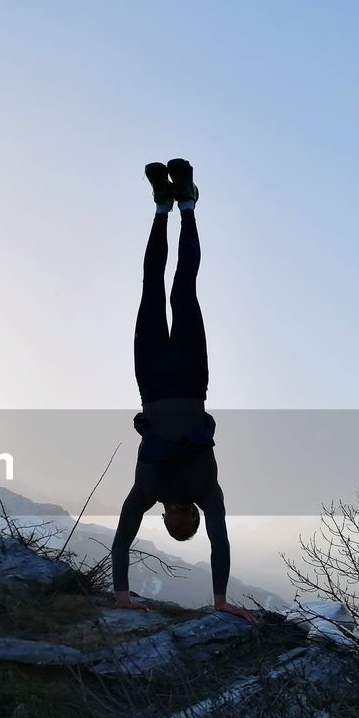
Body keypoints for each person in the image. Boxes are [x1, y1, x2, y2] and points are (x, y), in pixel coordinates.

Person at [111, 159, 254, 620]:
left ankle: (160, 209)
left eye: (176, 525)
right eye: (187, 524)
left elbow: (121, 540)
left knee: (153, 288)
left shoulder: (144, 493)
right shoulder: (207, 491)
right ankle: (187, 204)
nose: (182, 520)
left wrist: (121, 594)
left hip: (151, 381)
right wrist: (220, 600)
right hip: (192, 379)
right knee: (183, 290)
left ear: (168, 520)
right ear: (192, 518)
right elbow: (221, 540)